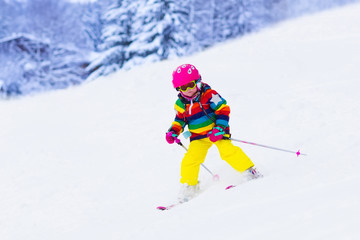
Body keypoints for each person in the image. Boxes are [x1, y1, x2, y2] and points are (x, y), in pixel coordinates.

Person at [166, 64, 261, 202]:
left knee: (227, 151)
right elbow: (179, 120)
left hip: (216, 132)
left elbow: (223, 110)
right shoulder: (180, 104)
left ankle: (249, 171)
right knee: (190, 160)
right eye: (183, 87)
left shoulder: (210, 95)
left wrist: (220, 128)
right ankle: (190, 186)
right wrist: (173, 131)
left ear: (198, 81)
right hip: (198, 138)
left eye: (191, 84)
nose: (188, 90)